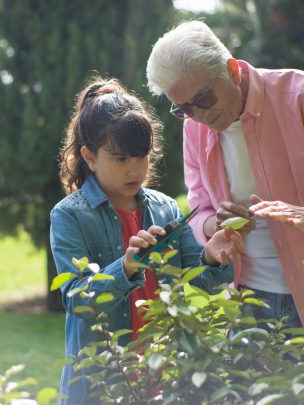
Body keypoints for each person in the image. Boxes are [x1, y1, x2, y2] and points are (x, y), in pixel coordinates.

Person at [49, 76, 244, 405]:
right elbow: (78, 301)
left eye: (142, 156)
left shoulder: (165, 208)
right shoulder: (69, 216)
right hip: (104, 383)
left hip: (165, 379)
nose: (135, 169)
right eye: (120, 158)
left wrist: (212, 258)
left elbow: (197, 285)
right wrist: (124, 269)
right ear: (90, 156)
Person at [146, 20, 304, 329]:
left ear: (232, 70)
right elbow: (198, 208)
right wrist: (213, 222)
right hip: (248, 297)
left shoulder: (296, 97)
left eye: (204, 99)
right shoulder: (193, 129)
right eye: (185, 109)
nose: (200, 117)